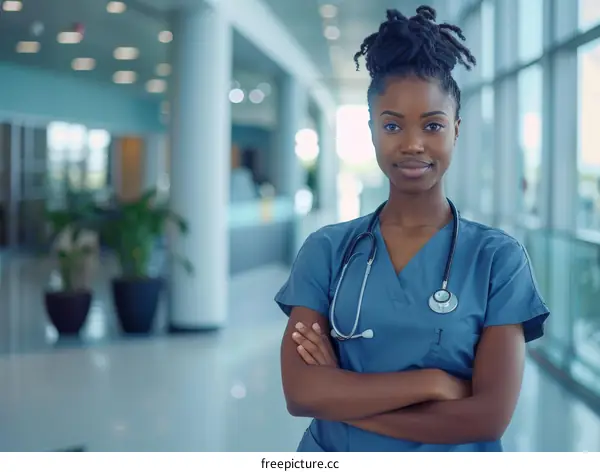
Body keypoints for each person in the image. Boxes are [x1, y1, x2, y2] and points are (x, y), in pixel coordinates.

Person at [274, 5, 550, 452]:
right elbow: (302, 394)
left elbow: (486, 418)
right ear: (372, 131)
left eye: (433, 125)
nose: (413, 144)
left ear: (456, 130)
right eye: (392, 125)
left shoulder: (498, 259)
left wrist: (342, 393)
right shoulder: (325, 250)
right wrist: (434, 382)